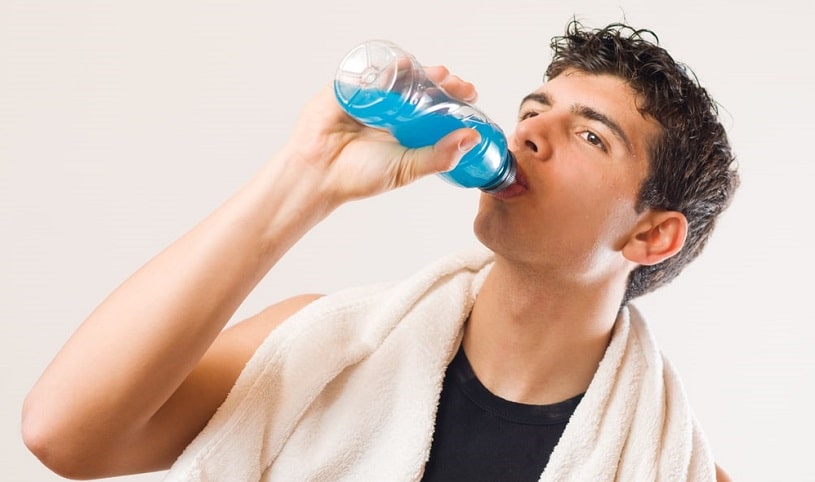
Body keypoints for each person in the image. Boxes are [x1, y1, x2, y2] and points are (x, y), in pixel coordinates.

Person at [22, 20, 738, 481]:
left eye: (589, 135)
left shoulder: (668, 465)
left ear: (650, 235)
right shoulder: (317, 350)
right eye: (530, 111)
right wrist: (305, 178)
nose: (526, 136)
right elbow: (64, 435)